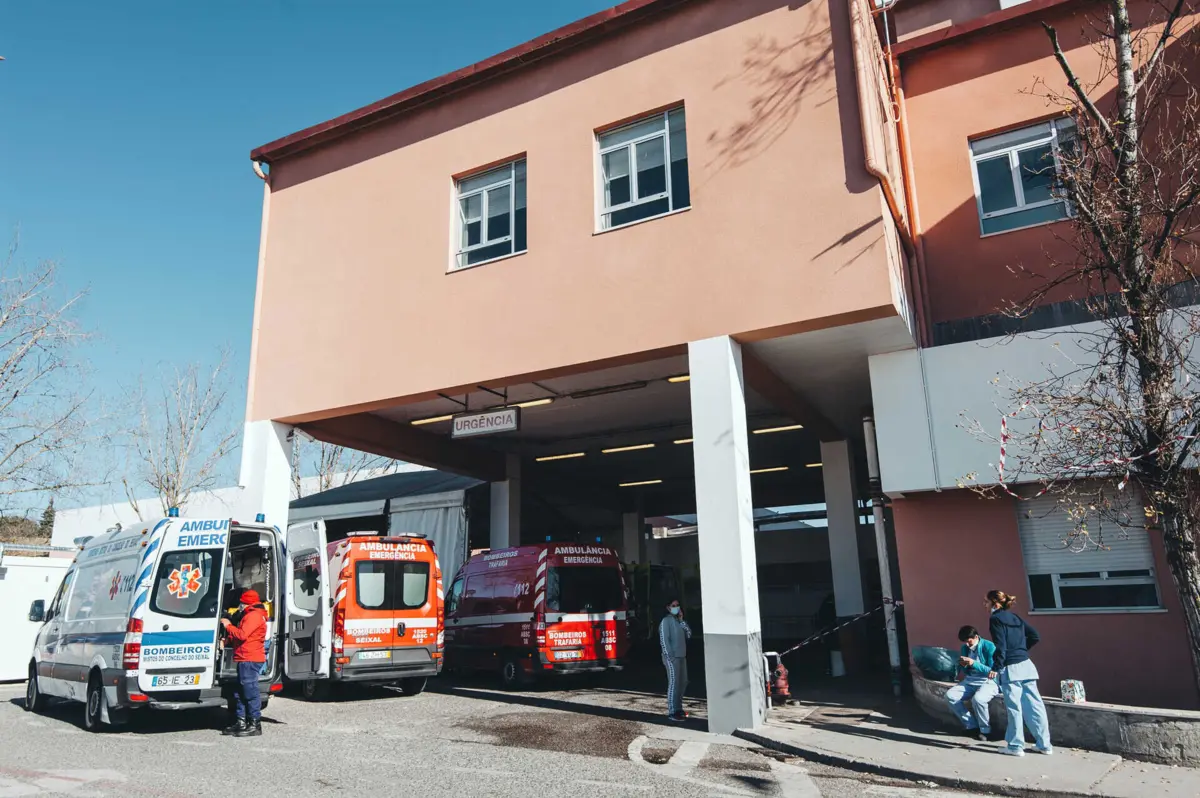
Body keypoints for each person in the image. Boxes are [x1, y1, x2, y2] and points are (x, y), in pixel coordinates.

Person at [987, 589, 1052, 757]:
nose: (985, 605)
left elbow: (1000, 646)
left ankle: (1016, 746)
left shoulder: (995, 619)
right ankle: (1044, 745)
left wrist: (996, 667)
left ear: (994, 603)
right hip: (1026, 665)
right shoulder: (1015, 617)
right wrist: (1021, 650)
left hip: (1011, 668)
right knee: (1035, 706)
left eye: (986, 602)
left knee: (1014, 708)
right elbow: (1034, 636)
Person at [220, 589, 268, 738]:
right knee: (240, 691)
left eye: (241, 602)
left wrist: (228, 626)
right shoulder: (250, 615)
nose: (239, 605)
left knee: (249, 691)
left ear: (246, 602)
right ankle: (241, 722)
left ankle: (254, 724)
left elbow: (242, 634)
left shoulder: (253, 616)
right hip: (244, 657)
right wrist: (227, 639)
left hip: (250, 658)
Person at [945, 625, 999, 741]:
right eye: (965, 642)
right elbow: (966, 670)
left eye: (969, 641)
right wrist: (962, 665)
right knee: (950, 696)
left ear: (976, 637)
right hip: (970, 680)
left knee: (978, 699)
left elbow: (992, 670)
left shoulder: (989, 646)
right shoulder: (965, 648)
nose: (967, 644)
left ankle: (985, 730)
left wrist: (973, 663)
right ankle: (971, 725)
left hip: (988, 681)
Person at [659, 597, 692, 722]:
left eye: (677, 605)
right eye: (673, 605)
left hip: (682, 656)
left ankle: (679, 708)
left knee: (683, 682)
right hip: (671, 658)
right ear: (668, 607)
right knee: (673, 683)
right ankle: (672, 711)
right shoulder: (665, 621)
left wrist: (682, 621)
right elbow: (664, 640)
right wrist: (669, 656)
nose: (676, 607)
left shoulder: (679, 621)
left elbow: (688, 634)